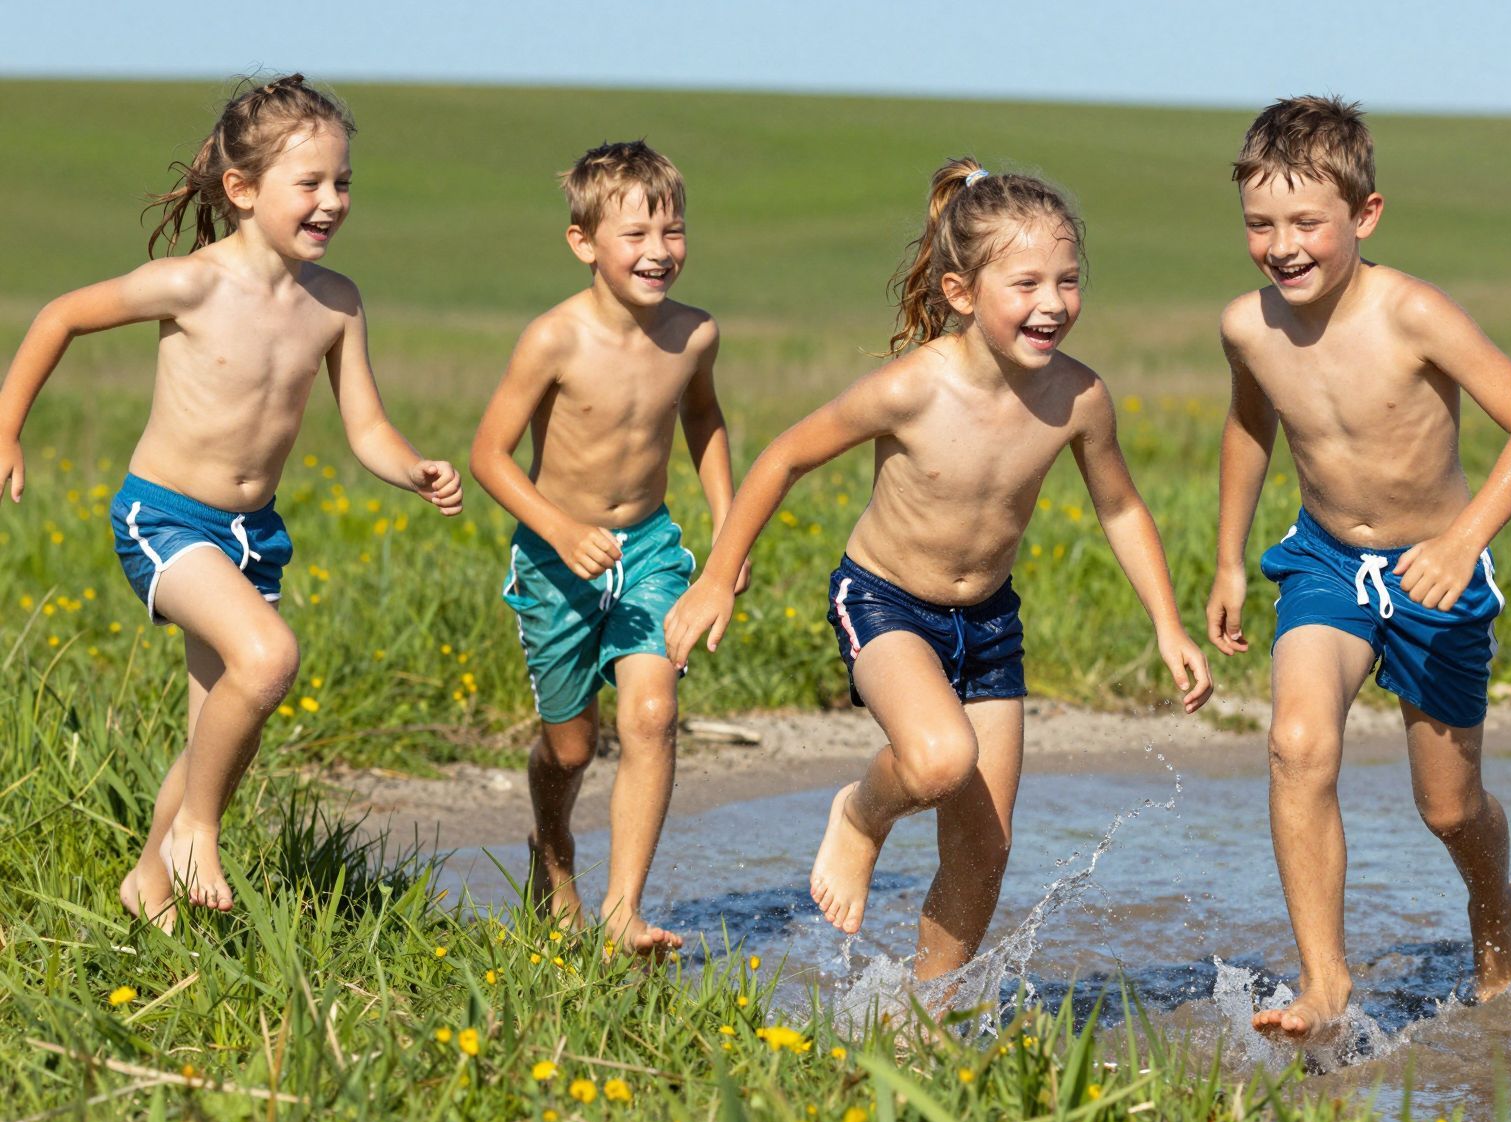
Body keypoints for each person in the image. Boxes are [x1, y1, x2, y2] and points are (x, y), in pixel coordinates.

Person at [664, 159, 1212, 981]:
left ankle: (927, 1015)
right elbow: (783, 458)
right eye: (1026, 284)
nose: (1053, 303)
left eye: (1068, 281)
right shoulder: (912, 388)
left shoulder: (1079, 398)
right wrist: (717, 575)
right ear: (961, 293)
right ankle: (860, 816)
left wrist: (1168, 625)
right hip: (884, 603)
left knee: (984, 850)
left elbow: (1122, 509)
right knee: (937, 759)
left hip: (989, 624)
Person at [0, 75, 463, 924]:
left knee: (220, 723)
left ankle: (149, 884)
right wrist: (7, 428)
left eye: (343, 182)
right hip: (165, 520)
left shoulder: (336, 304)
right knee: (269, 659)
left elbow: (365, 427)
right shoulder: (192, 284)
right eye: (310, 183)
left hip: (254, 537)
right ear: (243, 190)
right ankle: (197, 833)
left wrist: (412, 468)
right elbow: (59, 317)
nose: (332, 201)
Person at [1206, 95, 1511, 1040]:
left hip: (1437, 574)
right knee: (1296, 743)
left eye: (1306, 223)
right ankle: (1324, 984)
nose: (1282, 247)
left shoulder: (1414, 314)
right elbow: (1249, 427)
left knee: (1449, 809)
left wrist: (1463, 542)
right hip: (1324, 563)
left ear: (1365, 215)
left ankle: (1496, 904)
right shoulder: (1248, 328)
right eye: (1260, 224)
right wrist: (1228, 559)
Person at [470, 140, 738, 955]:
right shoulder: (553, 339)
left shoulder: (694, 335)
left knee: (653, 715)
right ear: (583, 242)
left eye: (673, 231)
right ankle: (553, 854)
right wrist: (558, 528)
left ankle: (624, 911)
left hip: (649, 550)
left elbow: (703, 419)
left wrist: (728, 531)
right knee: (571, 747)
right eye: (637, 235)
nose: (660, 251)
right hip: (556, 562)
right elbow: (489, 455)